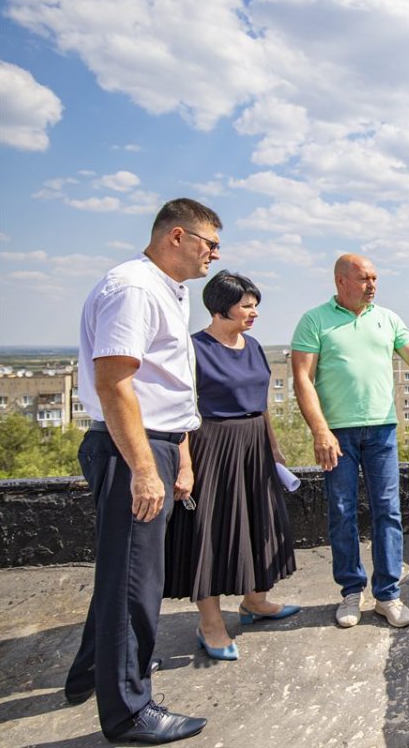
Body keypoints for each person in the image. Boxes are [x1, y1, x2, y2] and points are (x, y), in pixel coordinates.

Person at [65, 199, 218, 744]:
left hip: (151, 444)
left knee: (122, 571)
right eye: (209, 244)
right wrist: (143, 469)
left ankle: (89, 673)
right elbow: (115, 382)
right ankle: (131, 711)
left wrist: (177, 451)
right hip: (130, 449)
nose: (214, 256)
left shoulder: (163, 290)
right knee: (135, 582)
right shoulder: (134, 288)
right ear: (177, 236)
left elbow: (160, 385)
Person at [291, 254, 409, 629]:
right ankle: (352, 591)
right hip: (338, 433)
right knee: (341, 511)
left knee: (388, 511)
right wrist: (320, 430)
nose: (372, 285)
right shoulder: (314, 321)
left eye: (375, 278)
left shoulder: (387, 318)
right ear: (341, 281)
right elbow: (302, 378)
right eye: (364, 278)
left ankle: (388, 595)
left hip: (382, 429)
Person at [164, 271, 299, 661]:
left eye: (255, 304)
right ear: (220, 308)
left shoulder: (254, 346)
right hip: (212, 446)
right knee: (211, 532)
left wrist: (272, 447)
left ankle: (255, 602)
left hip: (254, 443)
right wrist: (184, 467)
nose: (254, 312)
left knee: (260, 523)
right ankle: (210, 624)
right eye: (246, 305)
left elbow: (262, 402)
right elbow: (181, 412)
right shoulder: (193, 349)